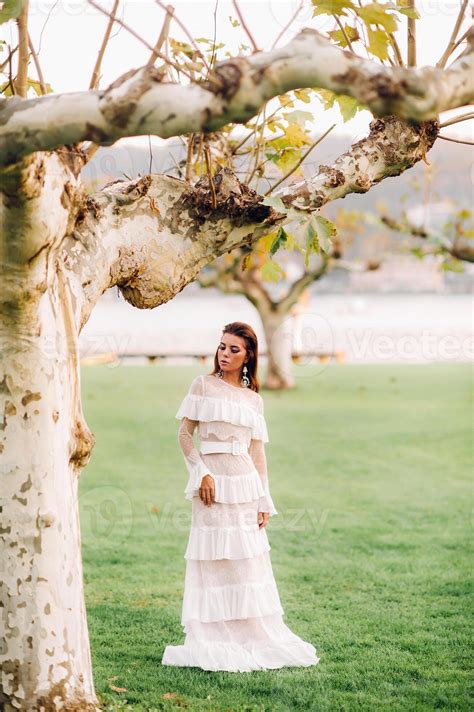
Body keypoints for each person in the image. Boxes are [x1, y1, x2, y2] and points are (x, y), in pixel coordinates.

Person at [162, 321, 320, 672]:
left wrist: (265, 499)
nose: (225, 354)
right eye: (222, 347)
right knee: (214, 558)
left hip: (245, 484)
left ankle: (251, 634)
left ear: (248, 356)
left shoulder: (254, 400)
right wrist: (200, 471)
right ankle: (214, 635)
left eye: (234, 349)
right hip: (212, 485)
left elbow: (257, 453)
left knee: (246, 562)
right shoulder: (202, 385)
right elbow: (185, 435)